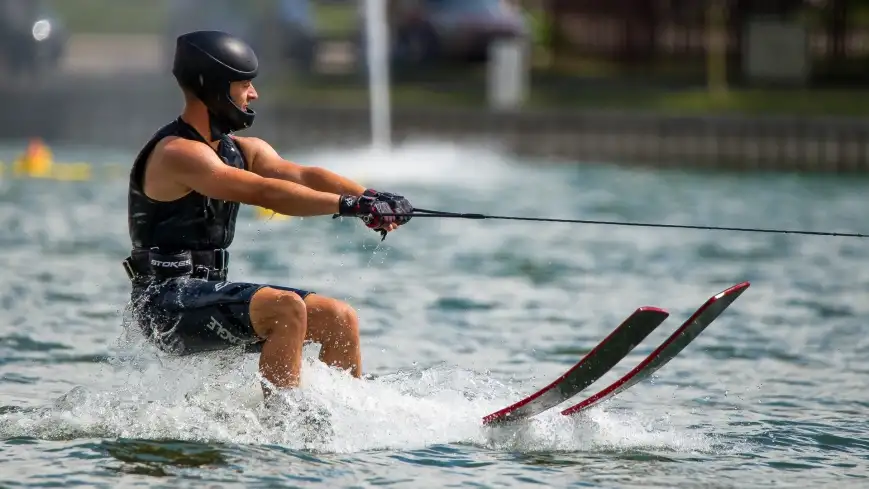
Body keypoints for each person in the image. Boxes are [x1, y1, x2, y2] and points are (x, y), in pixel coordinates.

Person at [122, 30, 414, 400]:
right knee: (285, 309)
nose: (254, 94)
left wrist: (371, 196)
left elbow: (304, 176)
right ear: (214, 88)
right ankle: (285, 433)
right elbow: (263, 191)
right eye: (244, 85)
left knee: (340, 319)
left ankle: (347, 418)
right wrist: (348, 206)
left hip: (207, 294)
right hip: (165, 304)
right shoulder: (178, 153)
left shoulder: (244, 149)